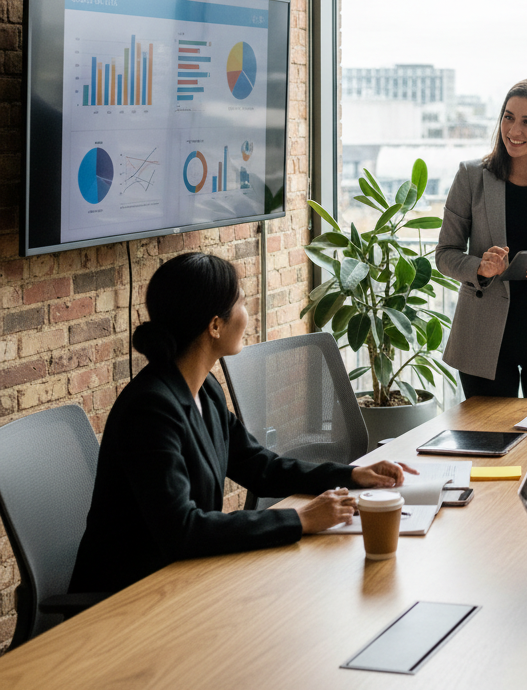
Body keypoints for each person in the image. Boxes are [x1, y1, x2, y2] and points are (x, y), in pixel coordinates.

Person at [70, 253, 413, 594]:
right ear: (215, 325)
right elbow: (183, 529)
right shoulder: (150, 409)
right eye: (242, 304)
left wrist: (351, 475)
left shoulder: (205, 388)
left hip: (186, 580)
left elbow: (259, 466)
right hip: (129, 597)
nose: (247, 316)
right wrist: (301, 519)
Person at [435, 77, 527, 399]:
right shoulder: (471, 176)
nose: (513, 131)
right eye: (508, 117)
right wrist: (480, 268)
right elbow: (445, 253)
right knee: (488, 443)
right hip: (483, 337)